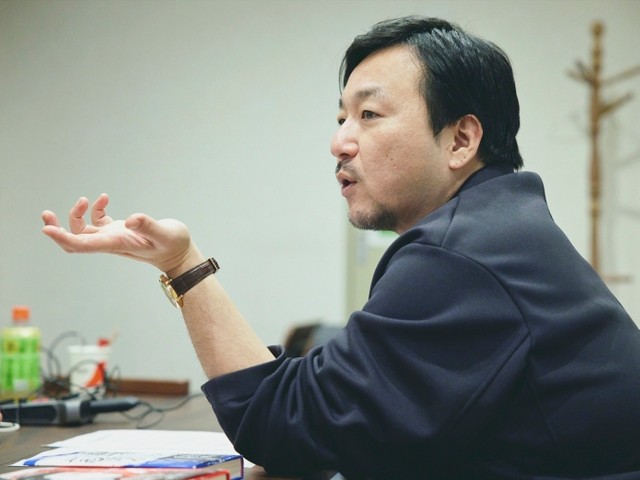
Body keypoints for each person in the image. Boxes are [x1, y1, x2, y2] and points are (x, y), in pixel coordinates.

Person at [40, 15, 640, 480]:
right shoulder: (499, 228)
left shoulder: (462, 254)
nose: (339, 142)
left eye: (369, 114)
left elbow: (284, 428)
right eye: (341, 118)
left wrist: (182, 264)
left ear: (461, 139)